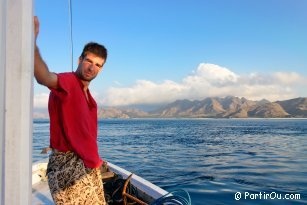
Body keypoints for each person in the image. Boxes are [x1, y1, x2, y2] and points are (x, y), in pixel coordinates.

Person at [34, 16, 108, 205]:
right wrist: (31, 44)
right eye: (88, 61)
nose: (92, 68)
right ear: (80, 59)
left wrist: (96, 161)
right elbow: (44, 77)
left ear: (101, 69)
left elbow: (85, 137)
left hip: (86, 164)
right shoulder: (68, 83)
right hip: (67, 166)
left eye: (98, 65)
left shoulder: (89, 97)